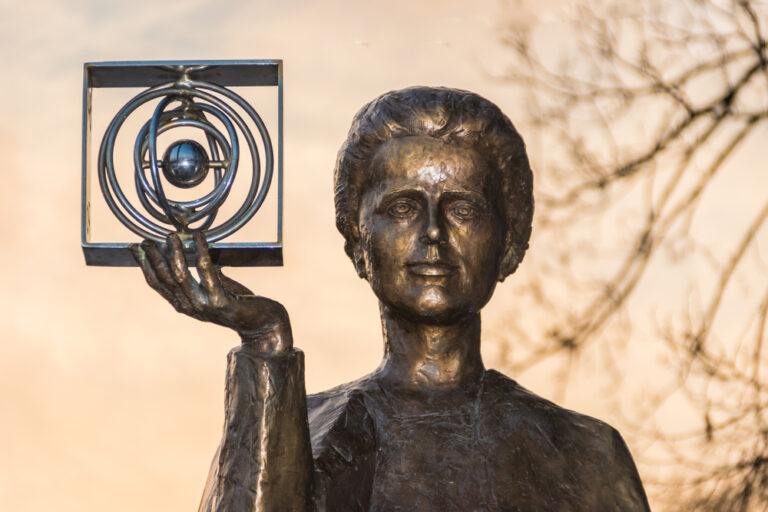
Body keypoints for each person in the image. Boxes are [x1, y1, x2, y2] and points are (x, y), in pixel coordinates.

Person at [132, 86, 650, 511]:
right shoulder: (300, 431)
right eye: (402, 208)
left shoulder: (586, 454)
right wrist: (266, 343)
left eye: (464, 210)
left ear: (510, 245)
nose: (432, 233)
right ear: (358, 243)